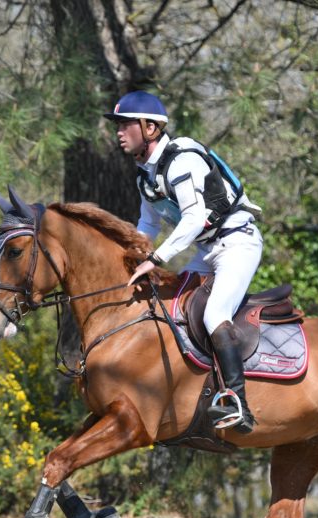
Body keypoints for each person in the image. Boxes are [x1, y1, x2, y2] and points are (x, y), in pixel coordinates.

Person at [105, 90, 263, 433]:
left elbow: (193, 219)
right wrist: (127, 256)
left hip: (238, 242)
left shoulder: (182, 160)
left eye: (126, 124)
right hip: (208, 250)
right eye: (118, 125)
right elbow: (148, 225)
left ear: (150, 128)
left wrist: (156, 258)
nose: (119, 132)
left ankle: (237, 402)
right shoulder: (145, 176)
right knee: (173, 307)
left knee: (214, 313)